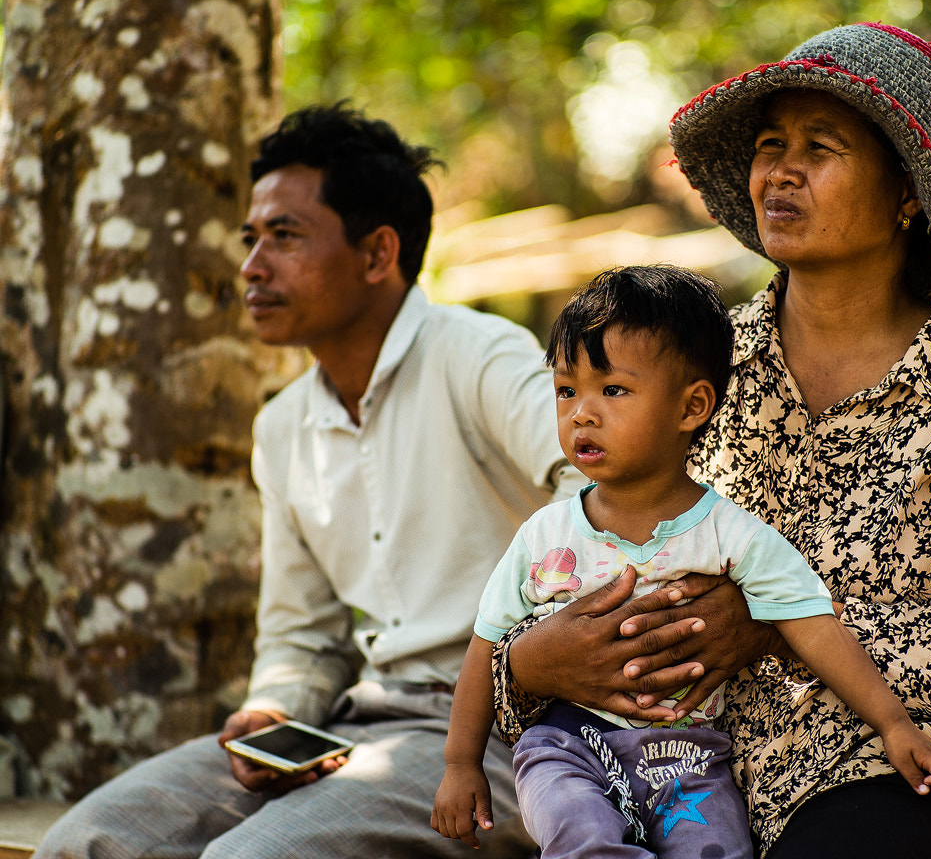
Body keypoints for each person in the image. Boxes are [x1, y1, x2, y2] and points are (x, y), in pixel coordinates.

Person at [490, 23, 931, 859]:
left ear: (906, 192)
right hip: (677, 772)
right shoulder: (697, 372)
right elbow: (577, 554)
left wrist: (776, 624)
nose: (781, 170)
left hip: (890, 773)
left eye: (822, 146)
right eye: (771, 144)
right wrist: (530, 665)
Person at [35, 104, 585, 858]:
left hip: (507, 736)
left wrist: (515, 643)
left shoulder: (475, 353)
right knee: (88, 842)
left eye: (285, 237)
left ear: (376, 253)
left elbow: (589, 488)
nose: (252, 266)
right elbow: (304, 633)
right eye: (251, 238)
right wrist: (273, 709)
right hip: (352, 727)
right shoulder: (283, 428)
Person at [431, 265, 931, 858]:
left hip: (690, 759)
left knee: (717, 850)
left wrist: (894, 724)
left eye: (612, 390)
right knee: (581, 836)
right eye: (567, 390)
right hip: (568, 748)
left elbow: (815, 629)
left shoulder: (732, 537)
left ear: (692, 406)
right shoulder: (544, 536)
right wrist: (460, 763)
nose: (581, 414)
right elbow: (486, 645)